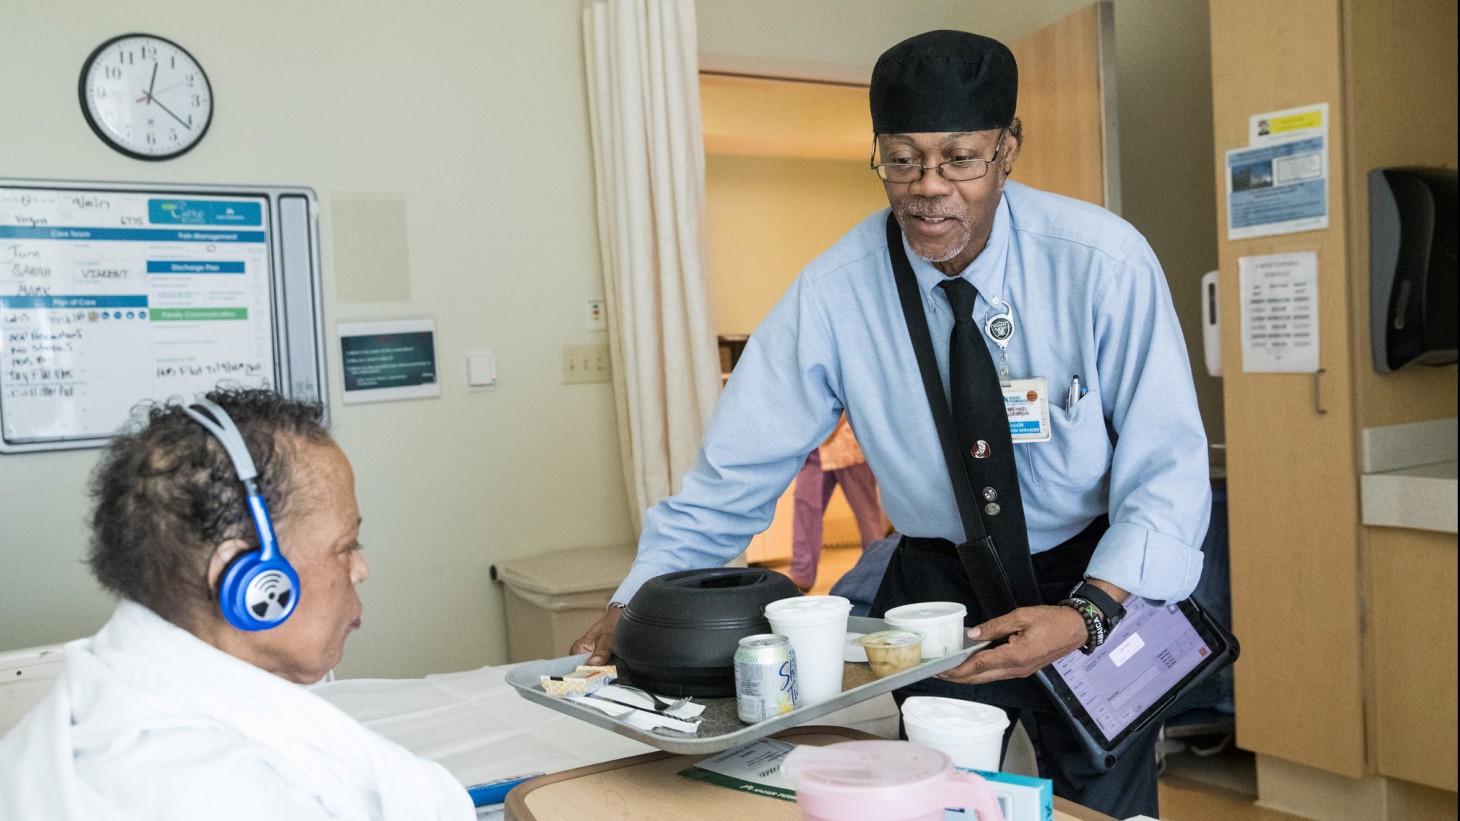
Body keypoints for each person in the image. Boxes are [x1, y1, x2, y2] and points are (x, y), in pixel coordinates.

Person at [572, 30, 1209, 818]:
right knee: (928, 797)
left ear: (1009, 147)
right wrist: (636, 602)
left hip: (1092, 581)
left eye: (960, 159)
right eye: (901, 159)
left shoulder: (1103, 264)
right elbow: (733, 473)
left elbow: (1167, 470)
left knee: (1101, 804)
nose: (927, 188)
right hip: (941, 592)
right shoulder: (835, 293)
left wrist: (1089, 612)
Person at [0, 389, 474, 821]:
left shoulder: (116, 686)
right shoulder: (215, 792)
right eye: (346, 545)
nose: (360, 569)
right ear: (249, 580)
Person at [789, 414, 885, 592]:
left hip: (847, 444)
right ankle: (802, 576)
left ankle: (879, 573)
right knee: (805, 510)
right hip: (813, 448)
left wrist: (829, 428)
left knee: (867, 515)